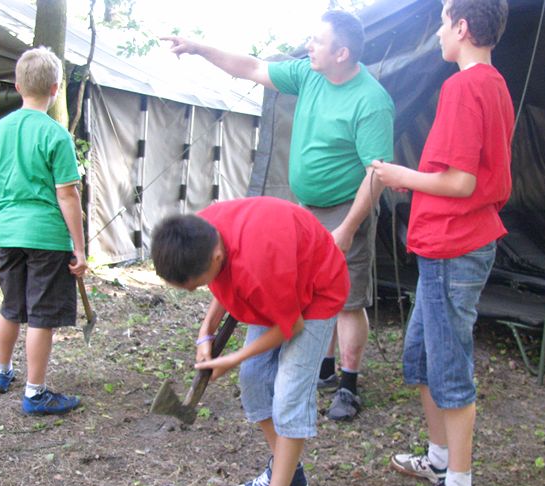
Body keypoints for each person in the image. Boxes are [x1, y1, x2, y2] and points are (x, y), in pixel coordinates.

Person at [164, 10, 394, 421]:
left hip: (346, 207)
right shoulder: (309, 75)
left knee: (347, 299)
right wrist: (198, 48)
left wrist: (347, 228)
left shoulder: (371, 101)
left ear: (341, 53)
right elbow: (251, 67)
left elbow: (376, 173)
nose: (309, 46)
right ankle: (323, 369)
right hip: (305, 209)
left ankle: (349, 383)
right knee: (312, 291)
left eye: (318, 41)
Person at [372, 0, 513, 486]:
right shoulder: (493, 84)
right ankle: (438, 459)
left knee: (449, 368)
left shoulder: (465, 86)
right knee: (422, 357)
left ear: (462, 26)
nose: (437, 32)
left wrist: (399, 176)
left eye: (442, 21)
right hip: (447, 245)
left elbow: (461, 182)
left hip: (456, 245)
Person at [151, 197, 349, 486]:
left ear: (216, 258)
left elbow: (290, 325)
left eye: (195, 285)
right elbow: (224, 284)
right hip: (278, 283)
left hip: (317, 290)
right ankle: (290, 474)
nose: (195, 290)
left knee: (289, 396)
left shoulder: (258, 269)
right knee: (253, 380)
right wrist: (205, 334)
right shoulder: (199, 232)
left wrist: (233, 358)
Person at [0, 47, 87, 415]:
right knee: (42, 315)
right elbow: (67, 195)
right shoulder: (56, 135)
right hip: (46, 236)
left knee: (11, 306)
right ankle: (35, 393)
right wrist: (80, 248)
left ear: (17, 86)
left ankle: (1, 372)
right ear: (56, 89)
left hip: (8, 232)